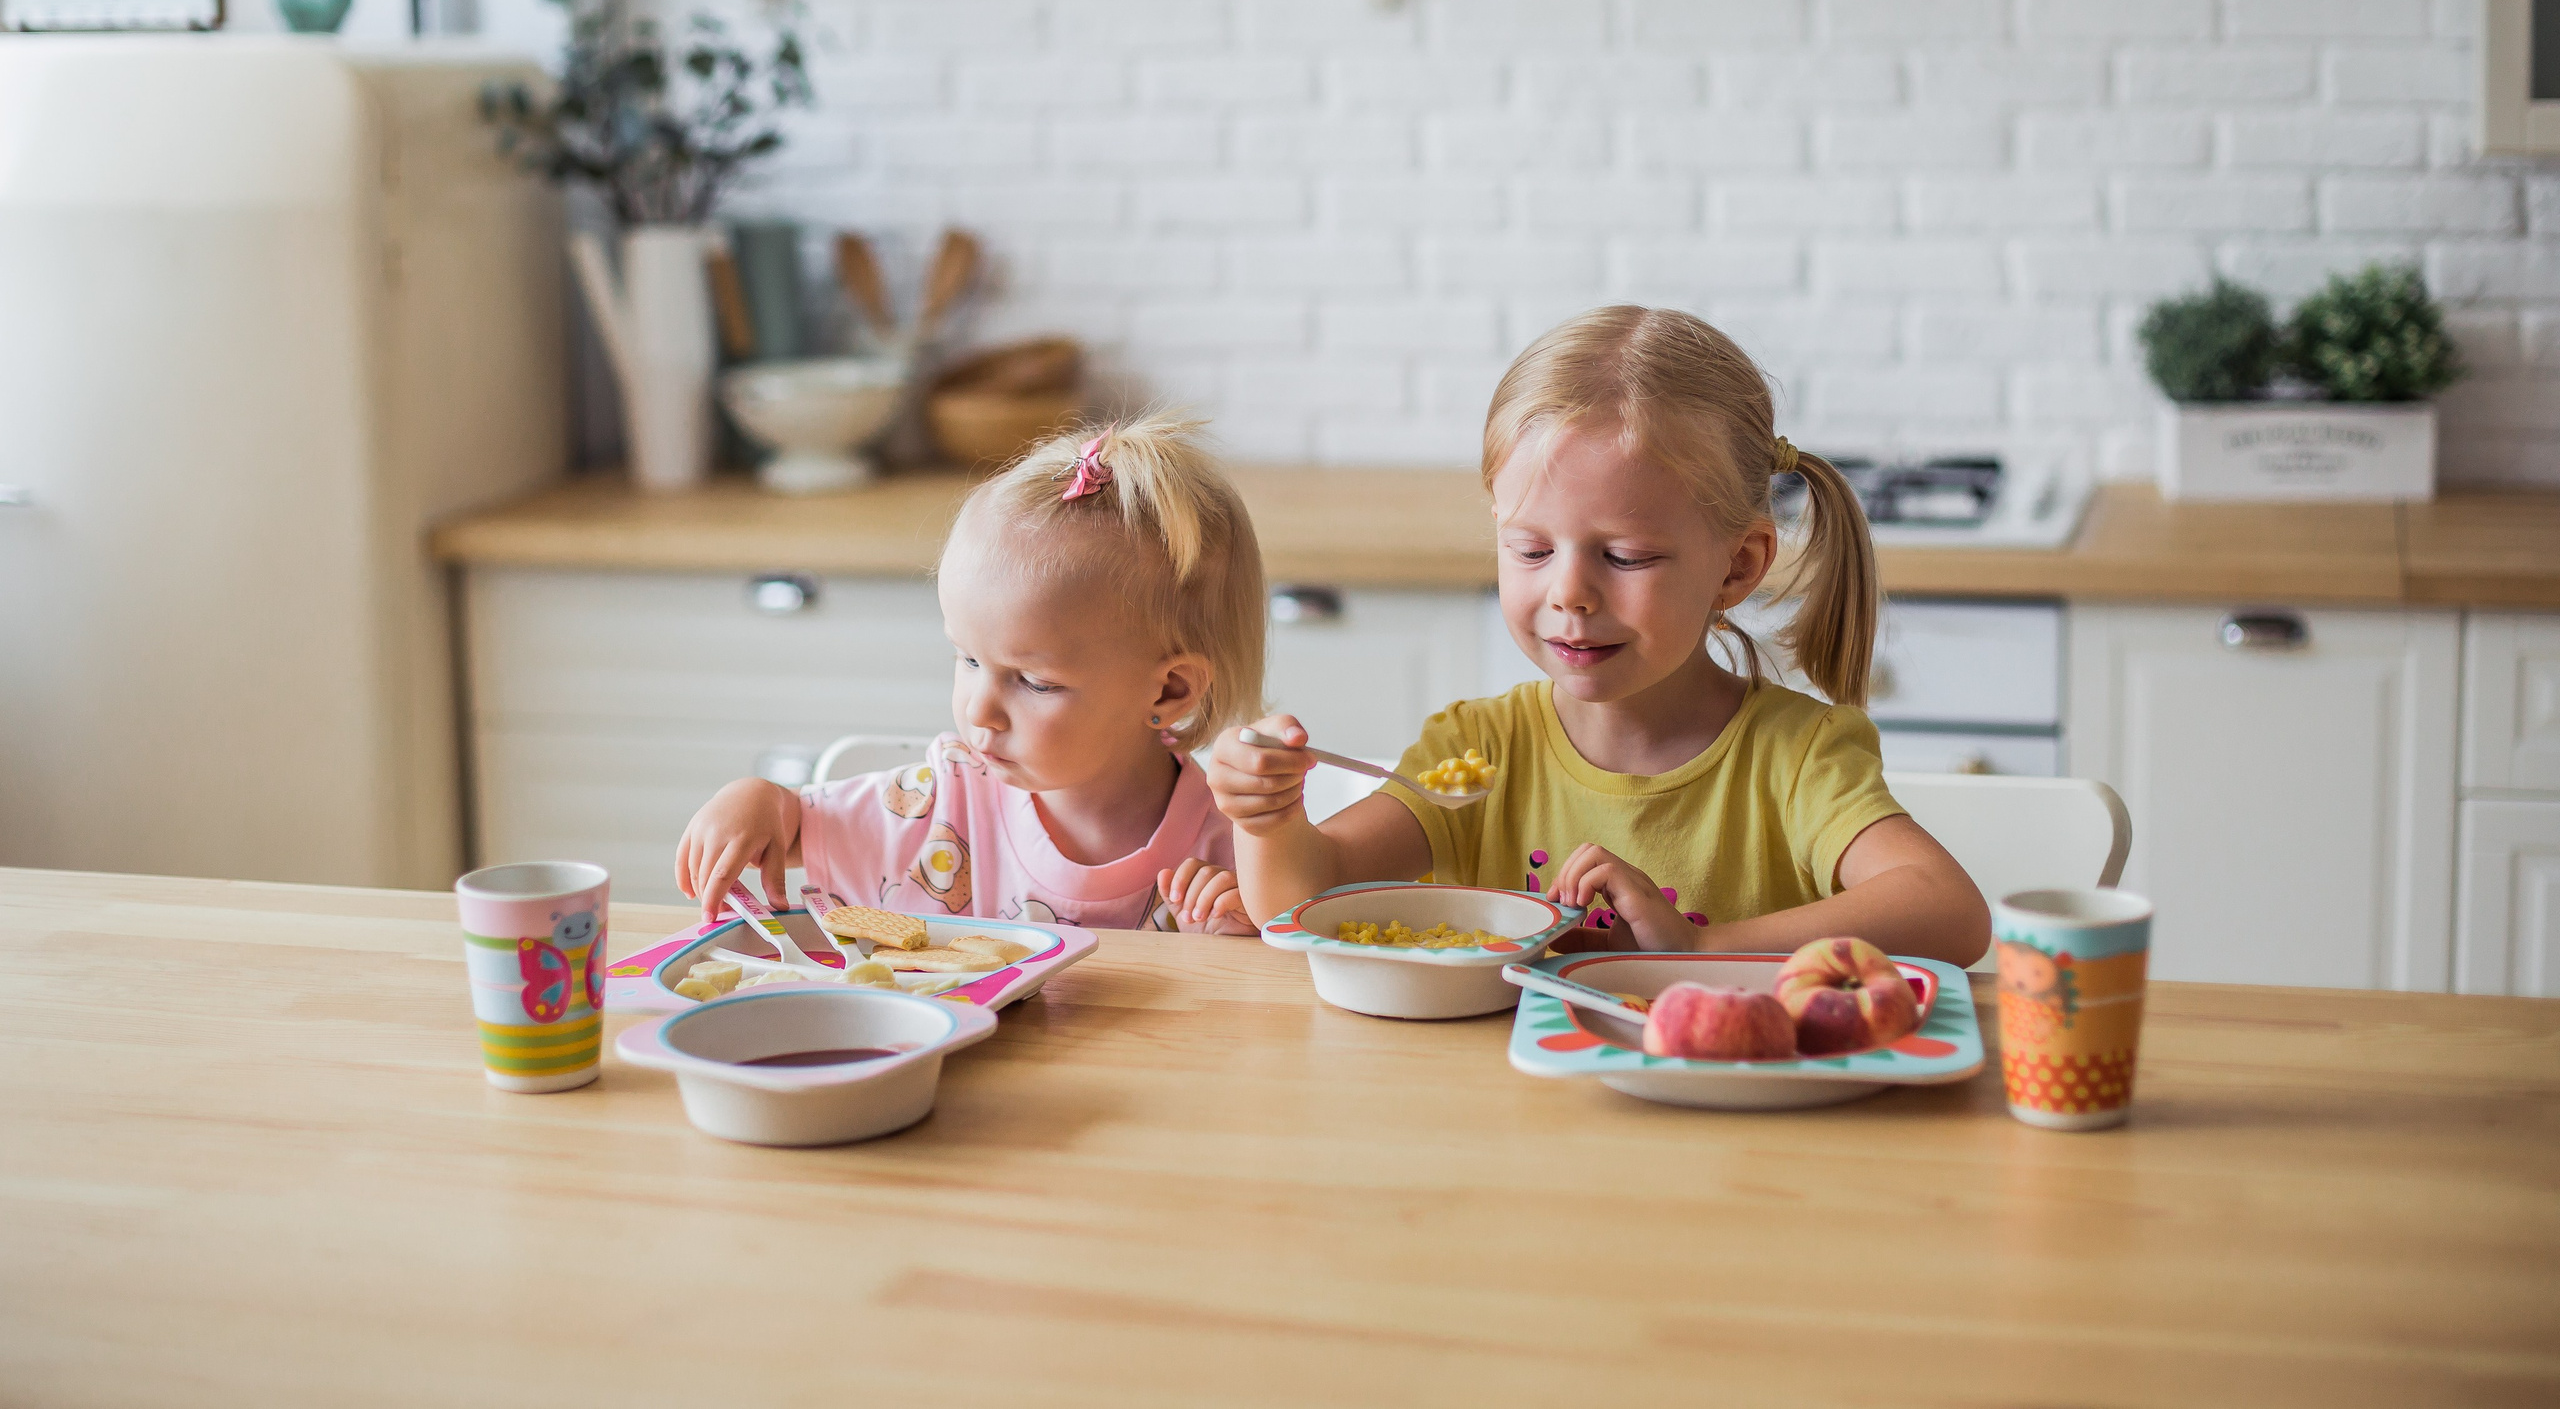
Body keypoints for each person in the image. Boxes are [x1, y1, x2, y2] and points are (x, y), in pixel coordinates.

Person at [1210, 306, 1991, 965]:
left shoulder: (1796, 758)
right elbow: (1303, 900)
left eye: (1625, 556)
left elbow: (1947, 911)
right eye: (1532, 550)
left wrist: (1700, 949)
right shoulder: (1477, 753)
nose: (1570, 593)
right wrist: (1269, 821)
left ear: (1737, 566)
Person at [679, 414, 1266, 935]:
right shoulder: (942, 801)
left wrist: (1230, 940)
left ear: (1170, 690)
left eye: (1033, 682)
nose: (978, 713)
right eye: (969, 660)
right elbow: (794, 826)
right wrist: (754, 801)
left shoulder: (1232, 848)